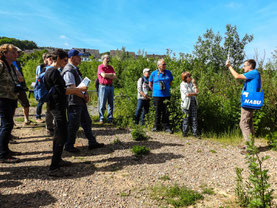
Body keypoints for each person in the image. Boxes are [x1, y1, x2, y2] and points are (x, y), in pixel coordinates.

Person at [44, 49, 88, 177]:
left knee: (60, 134)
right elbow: (62, 91)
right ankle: (54, 167)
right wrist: (78, 89)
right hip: (57, 107)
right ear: (57, 58)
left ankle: (58, 160)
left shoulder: (53, 71)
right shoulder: (53, 72)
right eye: (64, 60)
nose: (65, 62)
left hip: (58, 106)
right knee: (61, 135)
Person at [61, 49, 104, 153]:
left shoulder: (74, 69)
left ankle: (92, 142)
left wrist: (85, 94)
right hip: (74, 102)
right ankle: (69, 145)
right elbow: (72, 88)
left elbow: (80, 86)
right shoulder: (68, 71)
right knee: (73, 124)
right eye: (78, 56)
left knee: (86, 122)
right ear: (71, 58)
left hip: (79, 101)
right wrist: (83, 96)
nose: (80, 58)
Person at [226, 59, 260, 149]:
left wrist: (229, 66)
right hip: (249, 101)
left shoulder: (253, 73)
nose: (243, 67)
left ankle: (250, 147)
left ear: (250, 66)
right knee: (249, 123)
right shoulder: (254, 73)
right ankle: (249, 144)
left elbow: (236, 76)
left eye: (245, 65)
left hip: (248, 102)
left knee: (243, 123)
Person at [0, 44, 22, 163]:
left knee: (8, 124)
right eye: (13, 52)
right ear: (5, 53)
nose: (16, 54)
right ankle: (2, 154)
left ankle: (5, 150)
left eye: (16, 52)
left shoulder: (12, 66)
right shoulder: (1, 65)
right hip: (3, 98)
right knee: (6, 125)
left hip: (12, 98)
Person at [149, 59, 173, 133]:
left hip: (166, 95)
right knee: (157, 111)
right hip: (157, 95)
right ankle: (156, 126)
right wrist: (155, 91)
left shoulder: (168, 73)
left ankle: (166, 127)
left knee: (166, 111)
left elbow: (171, 83)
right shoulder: (154, 73)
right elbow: (150, 84)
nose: (165, 65)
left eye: (165, 64)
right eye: (163, 64)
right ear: (159, 65)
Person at [12, 47, 31, 125]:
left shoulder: (18, 62)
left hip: (20, 86)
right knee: (12, 105)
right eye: (17, 53)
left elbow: (21, 74)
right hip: (11, 87)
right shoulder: (5, 63)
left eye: (18, 53)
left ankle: (26, 119)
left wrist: (24, 85)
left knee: (25, 103)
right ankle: (11, 121)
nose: (18, 54)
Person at [97, 54, 117, 123]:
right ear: (103, 59)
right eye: (107, 58)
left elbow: (115, 77)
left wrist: (107, 75)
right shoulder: (100, 67)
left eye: (108, 58)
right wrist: (110, 74)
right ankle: (101, 118)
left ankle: (110, 118)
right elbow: (103, 75)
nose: (108, 60)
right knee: (102, 103)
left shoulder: (111, 67)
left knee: (111, 103)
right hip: (103, 86)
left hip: (110, 86)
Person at [180, 72, 199, 138]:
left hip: (193, 102)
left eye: (190, 76)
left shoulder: (191, 84)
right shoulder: (182, 84)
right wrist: (194, 94)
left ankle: (195, 133)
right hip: (186, 103)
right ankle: (185, 132)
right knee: (186, 118)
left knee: (194, 118)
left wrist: (194, 84)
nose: (190, 77)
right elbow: (187, 94)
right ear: (185, 78)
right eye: (189, 76)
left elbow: (197, 91)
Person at [35, 53, 53, 123]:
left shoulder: (51, 66)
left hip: (49, 86)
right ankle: (38, 116)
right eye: (48, 58)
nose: (49, 59)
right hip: (42, 86)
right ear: (44, 59)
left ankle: (49, 118)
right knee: (41, 101)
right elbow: (38, 76)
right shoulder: (40, 66)